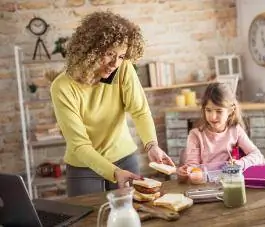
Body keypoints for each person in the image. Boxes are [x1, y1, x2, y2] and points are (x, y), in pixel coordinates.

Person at [50, 11, 174, 197]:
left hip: (125, 160)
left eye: (122, 56)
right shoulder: (62, 87)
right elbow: (80, 145)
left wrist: (152, 145)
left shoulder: (123, 69)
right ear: (89, 50)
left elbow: (140, 111)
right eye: (109, 54)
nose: (115, 63)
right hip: (83, 168)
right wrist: (113, 172)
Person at [177, 83, 265, 180]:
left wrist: (240, 163)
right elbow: (193, 166)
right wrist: (188, 170)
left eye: (219, 111)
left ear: (230, 110)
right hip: (205, 186)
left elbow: (256, 154)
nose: (213, 116)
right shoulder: (195, 135)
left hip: (230, 183)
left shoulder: (235, 130)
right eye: (208, 110)